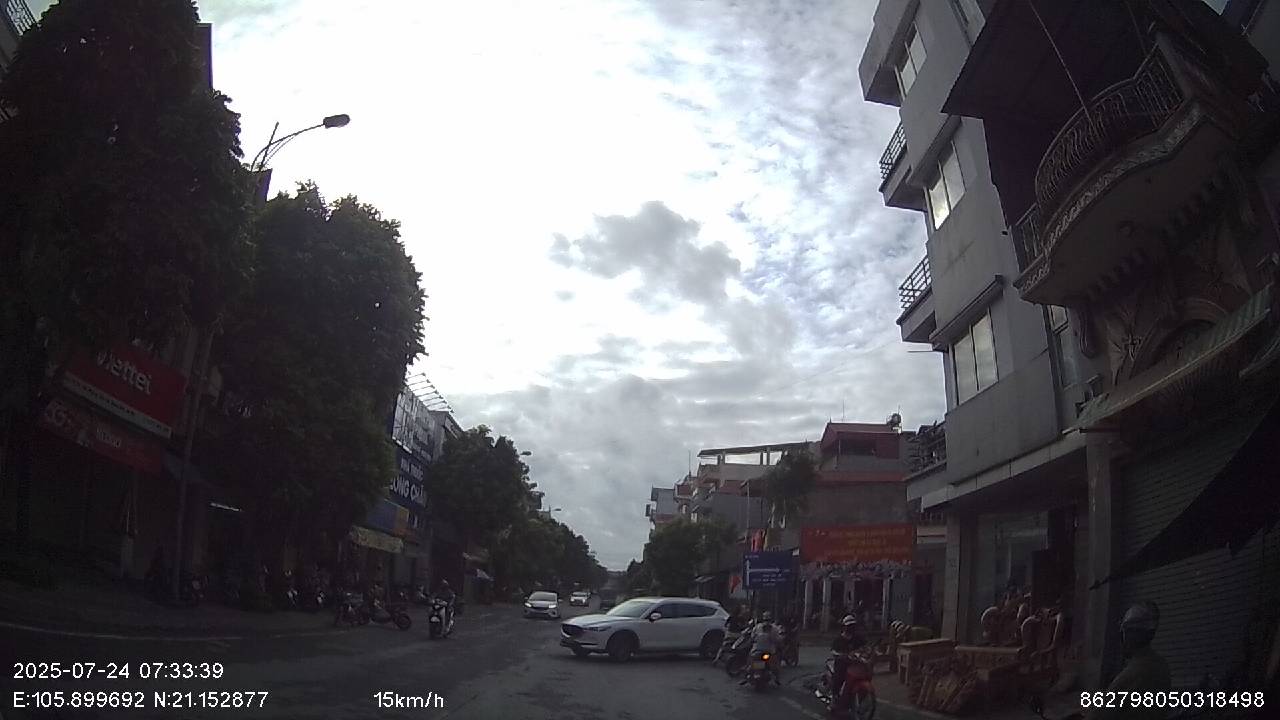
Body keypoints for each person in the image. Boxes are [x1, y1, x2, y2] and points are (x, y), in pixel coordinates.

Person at [1082, 602, 1170, 720]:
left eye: (1124, 632)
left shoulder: (1135, 672)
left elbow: (1099, 715)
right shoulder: (1161, 665)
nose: (1122, 639)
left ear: (1131, 634)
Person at [829, 614, 866, 702]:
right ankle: (834, 696)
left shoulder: (858, 638)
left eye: (852, 626)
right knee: (839, 676)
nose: (851, 628)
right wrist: (840, 655)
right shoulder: (838, 639)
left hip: (855, 662)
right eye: (849, 626)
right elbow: (833, 651)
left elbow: (865, 646)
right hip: (842, 663)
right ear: (844, 627)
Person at [747, 611, 783, 685]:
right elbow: (778, 639)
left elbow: (752, 637)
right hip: (767, 651)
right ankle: (777, 678)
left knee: (751, 663)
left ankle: (748, 675)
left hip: (758, 650)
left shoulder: (758, 627)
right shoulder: (774, 628)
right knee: (774, 665)